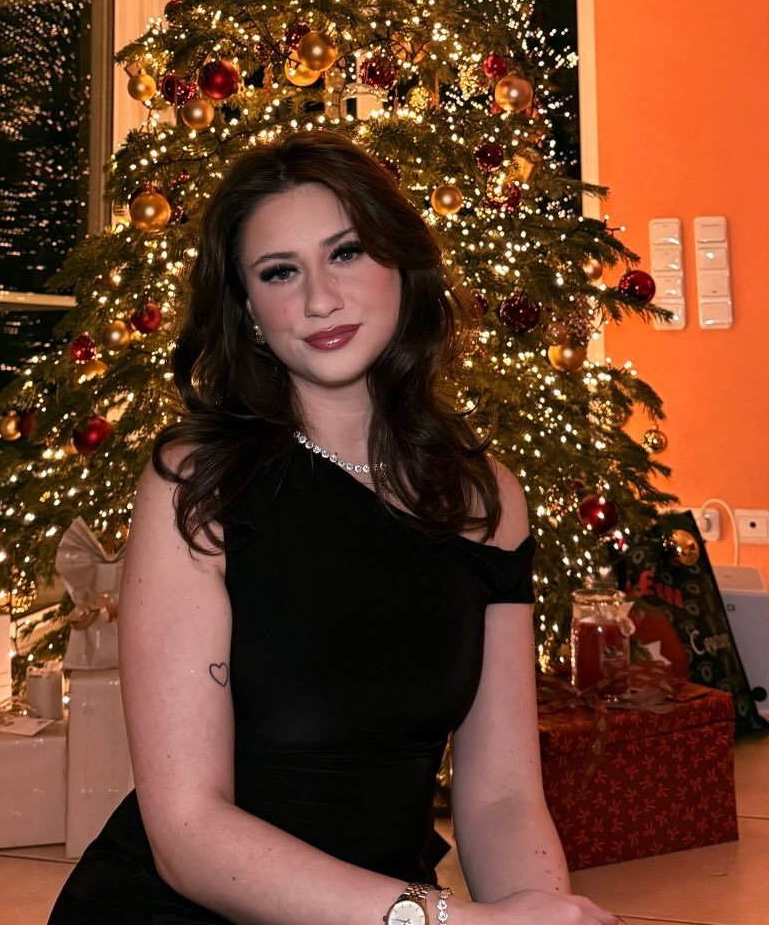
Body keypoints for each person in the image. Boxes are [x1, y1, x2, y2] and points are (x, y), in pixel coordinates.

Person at [49, 131, 623, 925]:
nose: (320, 299)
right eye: (279, 272)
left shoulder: (487, 501)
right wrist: (453, 923)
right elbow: (187, 833)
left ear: (401, 267)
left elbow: (501, 795)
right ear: (249, 314)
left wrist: (540, 912)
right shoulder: (199, 483)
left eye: (346, 254)